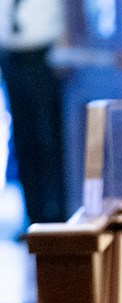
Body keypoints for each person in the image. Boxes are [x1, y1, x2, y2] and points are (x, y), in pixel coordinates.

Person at [0, 0, 67, 224]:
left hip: (42, 54)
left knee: (47, 139)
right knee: (22, 139)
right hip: (9, 54)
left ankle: (57, 216)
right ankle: (33, 216)